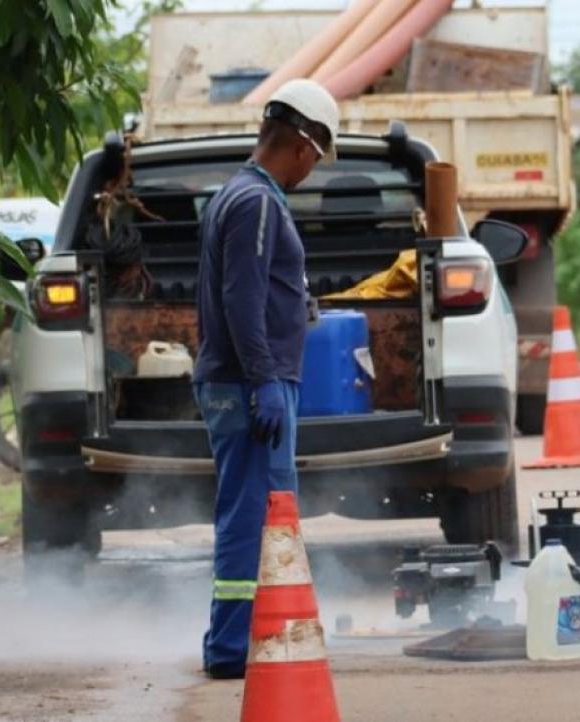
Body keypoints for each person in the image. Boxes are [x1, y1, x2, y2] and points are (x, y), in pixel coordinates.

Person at [193, 78, 339, 680]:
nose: (311, 171)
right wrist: (264, 382)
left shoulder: (238, 194)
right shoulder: (256, 202)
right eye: (315, 159)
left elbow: (259, 292)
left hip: (244, 379)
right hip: (249, 385)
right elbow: (243, 299)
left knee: (253, 513)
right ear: (302, 146)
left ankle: (247, 640)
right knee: (258, 516)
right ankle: (232, 649)